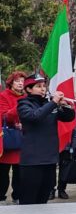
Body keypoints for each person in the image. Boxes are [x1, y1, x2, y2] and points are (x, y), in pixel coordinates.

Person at [17, 73, 75, 205]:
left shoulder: (49, 105)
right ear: (28, 89)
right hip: (32, 161)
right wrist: (53, 103)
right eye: (38, 86)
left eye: (44, 86)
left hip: (49, 159)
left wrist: (65, 106)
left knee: (43, 199)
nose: (43, 89)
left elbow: (68, 118)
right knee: (29, 200)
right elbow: (35, 116)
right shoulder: (23, 104)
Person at [0, 71, 27, 204]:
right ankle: (1, 197)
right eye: (17, 81)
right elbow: (4, 116)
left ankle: (17, 196)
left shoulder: (27, 96)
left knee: (20, 173)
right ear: (11, 83)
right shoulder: (3, 96)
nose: (21, 83)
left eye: (22, 81)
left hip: (23, 141)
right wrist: (19, 105)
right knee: (3, 173)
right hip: (8, 140)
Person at [55, 119, 76, 200]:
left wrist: (73, 146)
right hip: (52, 145)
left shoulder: (72, 109)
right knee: (50, 170)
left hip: (67, 147)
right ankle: (50, 190)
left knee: (65, 170)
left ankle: (61, 189)